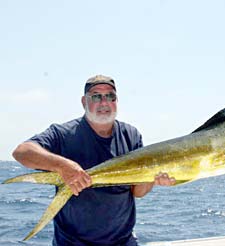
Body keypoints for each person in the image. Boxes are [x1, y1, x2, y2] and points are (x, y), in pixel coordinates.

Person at [12, 75, 175, 245]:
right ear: (84, 102)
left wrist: (153, 178)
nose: (104, 102)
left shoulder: (131, 135)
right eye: (96, 96)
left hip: (123, 241)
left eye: (110, 96)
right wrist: (63, 166)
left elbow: (137, 192)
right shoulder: (62, 133)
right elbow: (22, 152)